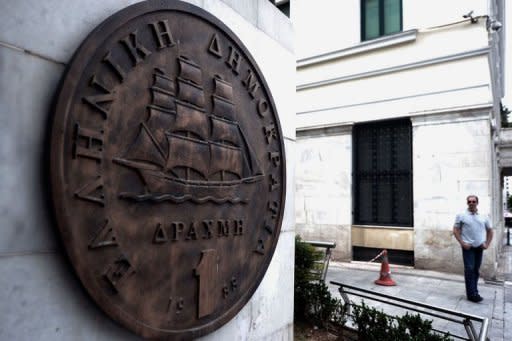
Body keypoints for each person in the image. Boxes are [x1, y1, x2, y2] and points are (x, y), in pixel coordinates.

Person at [453, 195, 493, 302]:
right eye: (469, 201)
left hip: (479, 247)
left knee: (475, 270)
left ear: (477, 203)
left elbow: (490, 230)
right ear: (467, 203)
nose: (471, 203)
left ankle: (474, 291)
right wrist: (462, 243)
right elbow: (455, 230)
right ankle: (472, 294)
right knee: (469, 269)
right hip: (468, 248)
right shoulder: (461, 215)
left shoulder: (484, 216)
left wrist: (487, 244)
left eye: (473, 201)